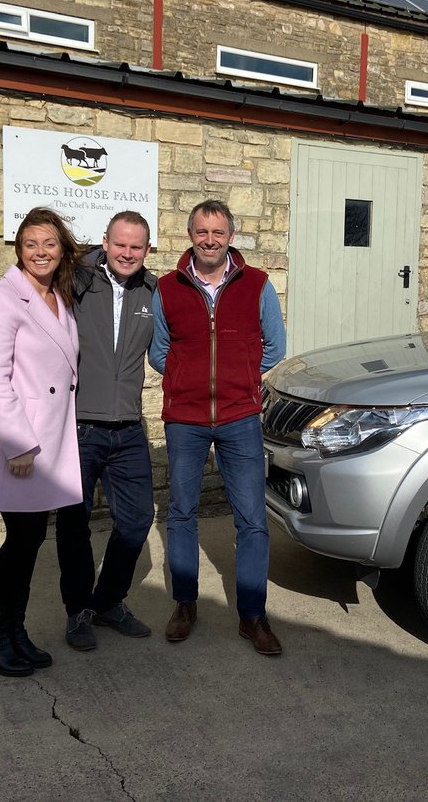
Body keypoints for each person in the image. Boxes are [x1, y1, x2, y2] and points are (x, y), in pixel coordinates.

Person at [149, 200, 287, 655]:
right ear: (190, 234)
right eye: (202, 232)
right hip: (186, 419)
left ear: (231, 236)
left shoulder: (258, 285)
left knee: (251, 519)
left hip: (239, 417)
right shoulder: (167, 288)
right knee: (183, 513)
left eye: (219, 232)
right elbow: (158, 351)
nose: (210, 240)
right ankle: (185, 604)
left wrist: (243, 378)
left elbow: (275, 346)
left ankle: (252, 615)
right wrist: (186, 380)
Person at [0, 207, 83, 678]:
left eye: (50, 244)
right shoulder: (1, 300)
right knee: (21, 541)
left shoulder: (58, 296)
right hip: (20, 443)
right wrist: (17, 445)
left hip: (50, 437)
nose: (41, 252)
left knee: (32, 538)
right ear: (18, 248)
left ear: (62, 250)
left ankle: (12, 632)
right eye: (31, 243)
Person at [55, 211, 158, 651]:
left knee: (137, 521)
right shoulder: (76, 279)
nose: (127, 253)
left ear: (147, 250)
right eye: (120, 244)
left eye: (136, 246)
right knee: (74, 523)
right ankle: (78, 611)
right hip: (80, 427)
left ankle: (108, 601)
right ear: (105, 242)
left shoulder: (155, 292)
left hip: (129, 428)